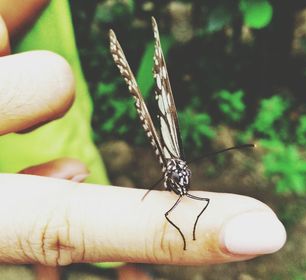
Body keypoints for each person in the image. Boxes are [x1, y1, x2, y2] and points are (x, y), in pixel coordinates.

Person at [0, 0, 286, 276]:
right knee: (46, 225)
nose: (184, 175)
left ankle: (126, 270)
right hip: (14, 116)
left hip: (42, 112)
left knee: (72, 213)